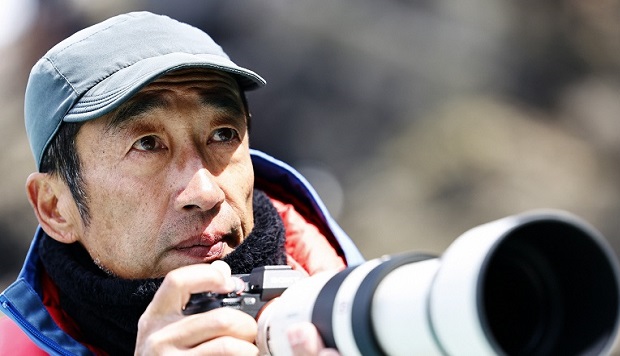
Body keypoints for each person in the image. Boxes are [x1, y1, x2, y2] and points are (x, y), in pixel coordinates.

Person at [0, 11, 363, 355]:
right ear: (55, 208)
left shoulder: (383, 311)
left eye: (223, 134)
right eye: (146, 144)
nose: (205, 192)